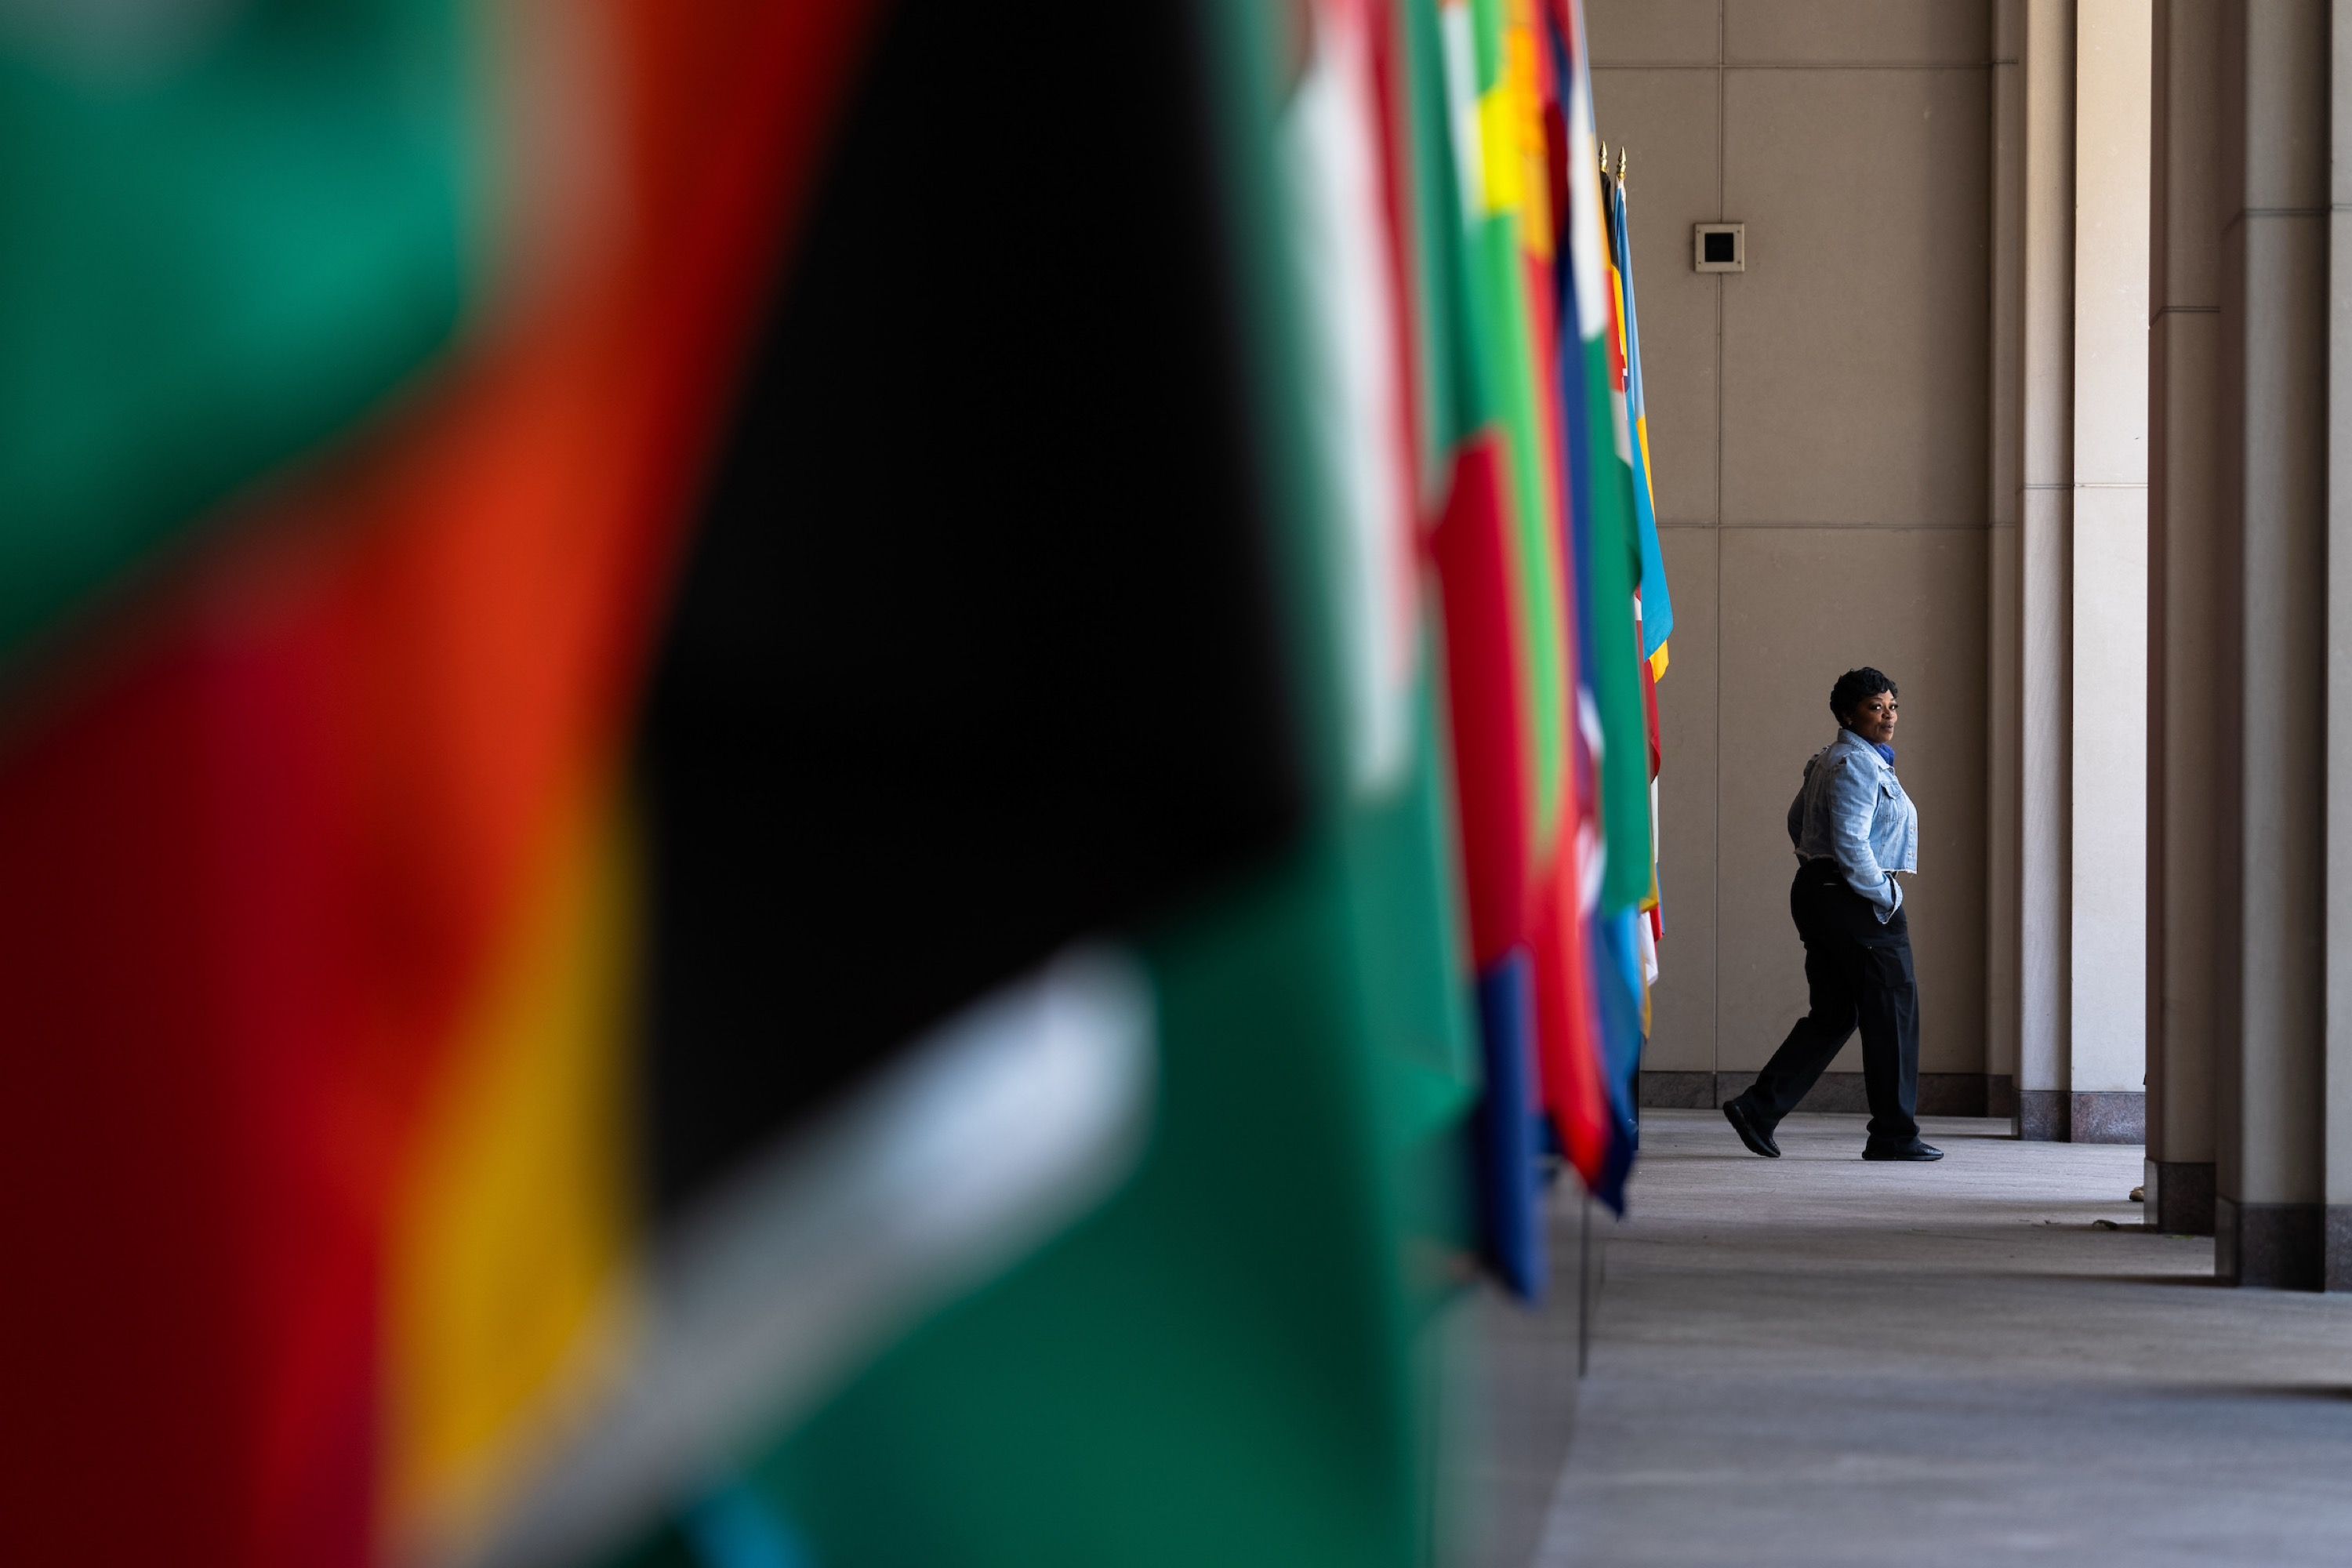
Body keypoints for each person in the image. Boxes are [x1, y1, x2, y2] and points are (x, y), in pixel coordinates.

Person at [1722, 667, 1942, 1161]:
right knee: (1894, 1015)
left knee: (1835, 1013)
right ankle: (1894, 1135)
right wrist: (1886, 894)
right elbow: (1850, 842)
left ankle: (1759, 1108)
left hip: (1821, 894)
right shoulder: (1858, 765)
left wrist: (1818, 866)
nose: (1888, 716)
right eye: (1875, 707)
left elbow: (1798, 821)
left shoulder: (1831, 760)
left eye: (1892, 706)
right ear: (1848, 714)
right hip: (1857, 900)